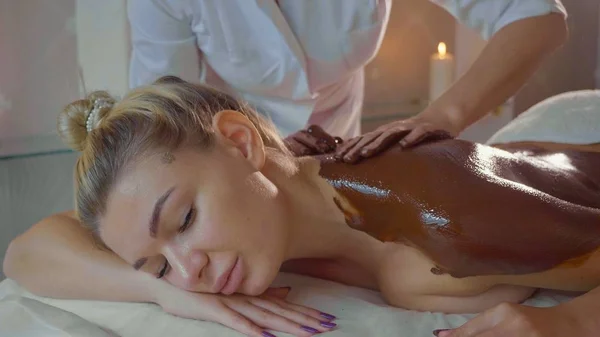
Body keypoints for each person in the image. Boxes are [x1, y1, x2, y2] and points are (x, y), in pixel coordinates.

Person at [4, 77, 600, 337]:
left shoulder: (438, 220)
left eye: (184, 221)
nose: (191, 273)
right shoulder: (285, 192)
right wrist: (159, 290)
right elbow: (27, 251)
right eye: (158, 262)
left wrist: (572, 322)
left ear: (240, 143)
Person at [127, 0, 569, 154]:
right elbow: (161, 118)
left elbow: (537, 17)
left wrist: (444, 115)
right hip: (232, 156)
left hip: (345, 148)